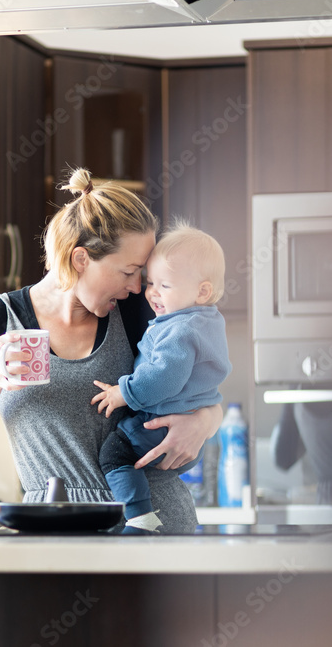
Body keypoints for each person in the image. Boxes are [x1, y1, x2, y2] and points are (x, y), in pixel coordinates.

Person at [0, 168, 222, 533]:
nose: (139, 287)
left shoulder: (138, 311)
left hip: (156, 532)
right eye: (129, 272)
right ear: (81, 260)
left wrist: (205, 421)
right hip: (54, 536)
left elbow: (207, 382)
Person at [91, 222, 231, 531]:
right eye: (150, 281)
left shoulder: (180, 329)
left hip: (160, 424)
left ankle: (140, 519)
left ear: (202, 291)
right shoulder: (206, 321)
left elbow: (163, 378)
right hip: (182, 427)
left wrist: (122, 393)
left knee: (115, 454)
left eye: (164, 286)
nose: (149, 292)